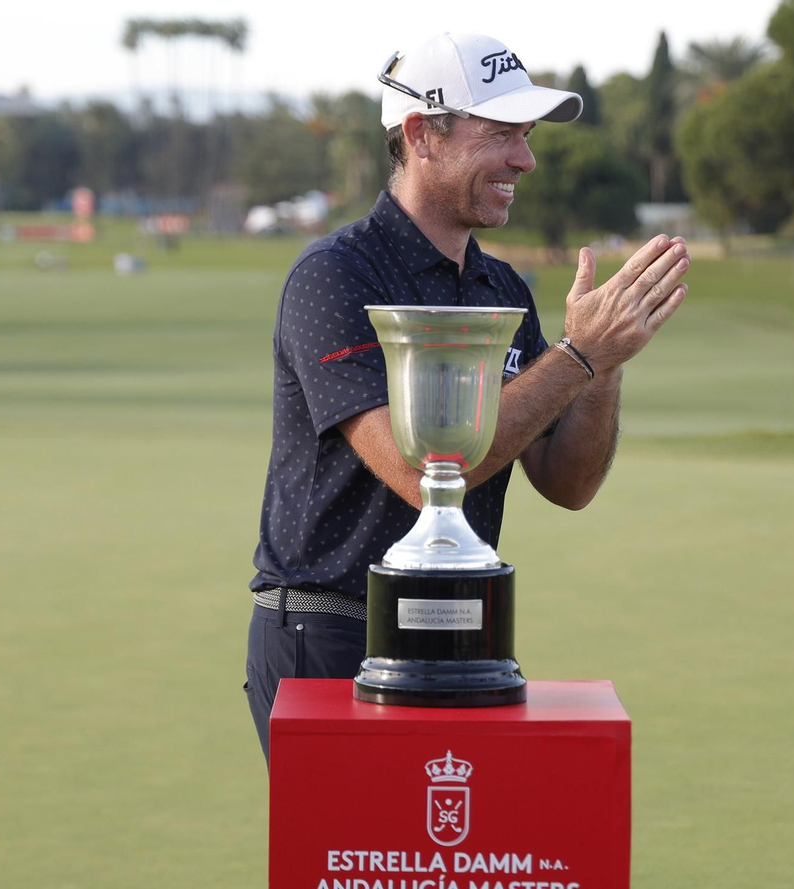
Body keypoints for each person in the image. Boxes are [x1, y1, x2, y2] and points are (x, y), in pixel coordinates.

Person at [244, 32, 690, 761]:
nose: (525, 159)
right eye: (502, 133)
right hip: (330, 632)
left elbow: (569, 483)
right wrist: (576, 355)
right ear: (423, 134)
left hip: (460, 637)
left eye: (527, 135)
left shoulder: (502, 288)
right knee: (362, 842)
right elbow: (418, 473)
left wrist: (603, 364)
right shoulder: (336, 276)